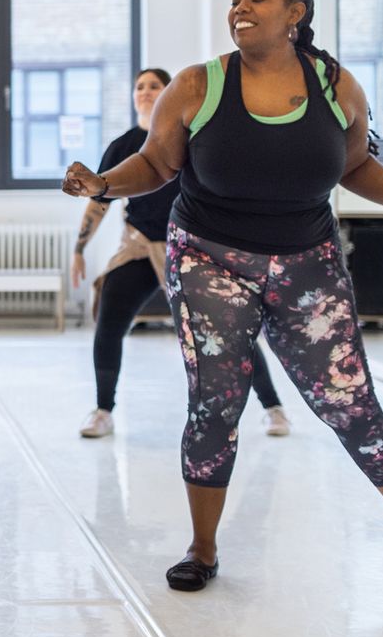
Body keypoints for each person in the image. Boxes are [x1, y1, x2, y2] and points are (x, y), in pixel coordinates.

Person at [62, 0, 383, 592]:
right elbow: (156, 164)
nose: (240, 9)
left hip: (306, 260)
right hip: (207, 254)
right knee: (216, 402)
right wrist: (104, 184)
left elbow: (356, 167)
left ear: (295, 13)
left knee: (351, 402)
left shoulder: (335, 85)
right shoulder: (198, 86)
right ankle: (202, 550)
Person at [70, 67, 291, 440]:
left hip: (191, 247)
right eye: (139, 86)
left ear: (169, 92)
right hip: (139, 246)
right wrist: (79, 249)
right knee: (109, 319)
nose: (144, 91)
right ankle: (103, 409)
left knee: (232, 332)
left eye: (154, 85)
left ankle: (274, 408)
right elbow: (99, 200)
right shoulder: (124, 145)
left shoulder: (191, 139)